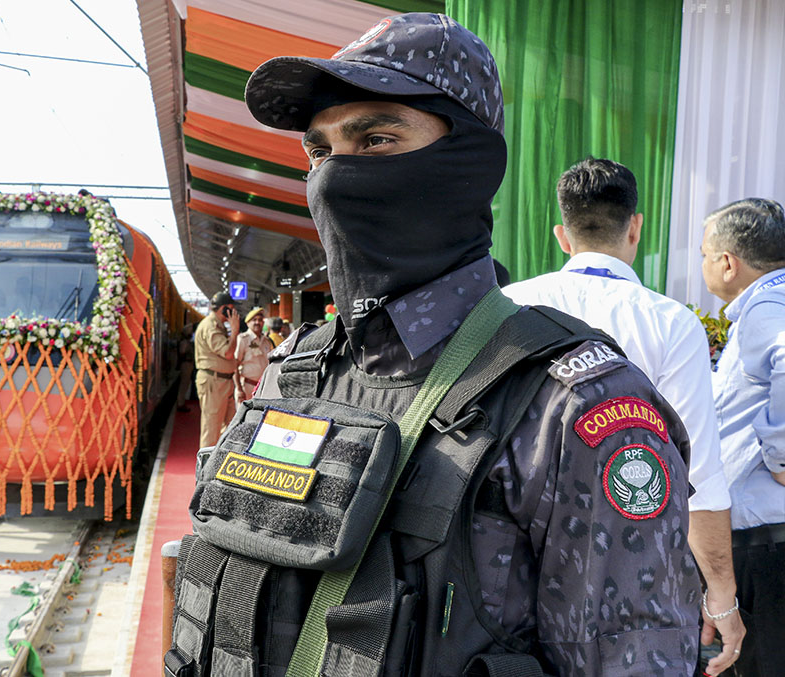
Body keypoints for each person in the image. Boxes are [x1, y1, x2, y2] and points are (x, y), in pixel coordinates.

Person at [169, 12, 700, 676]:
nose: (334, 180)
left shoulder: (573, 409)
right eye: (321, 151)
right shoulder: (295, 370)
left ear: (469, 164)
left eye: (378, 139)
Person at [503, 158, 743, 674]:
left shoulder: (507, 307)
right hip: (633, 572)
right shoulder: (670, 322)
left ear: (562, 235)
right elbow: (696, 475)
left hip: (509, 564)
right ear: (635, 226)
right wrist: (722, 599)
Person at [700, 198, 785, 676]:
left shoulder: (767, 308)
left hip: (766, 548)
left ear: (728, 263)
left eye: (704, 254)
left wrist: (782, 459)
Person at [194, 291, 240, 448]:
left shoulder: (218, 325)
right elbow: (227, 352)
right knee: (212, 428)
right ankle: (205, 470)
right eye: (231, 309)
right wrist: (235, 331)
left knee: (228, 427)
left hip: (223, 381)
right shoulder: (210, 326)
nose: (233, 313)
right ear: (223, 309)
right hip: (214, 381)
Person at [234, 307, 273, 405]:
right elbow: (234, 365)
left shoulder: (266, 341)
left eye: (260, 320)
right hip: (247, 386)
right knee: (244, 418)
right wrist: (239, 389)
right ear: (248, 323)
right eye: (254, 320)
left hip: (263, 388)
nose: (257, 322)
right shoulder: (243, 339)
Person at [175, 323, 195, 412]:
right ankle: (180, 403)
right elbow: (182, 352)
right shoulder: (185, 342)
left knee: (185, 384)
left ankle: (181, 402)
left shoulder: (186, 341)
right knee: (184, 384)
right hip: (186, 364)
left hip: (188, 364)